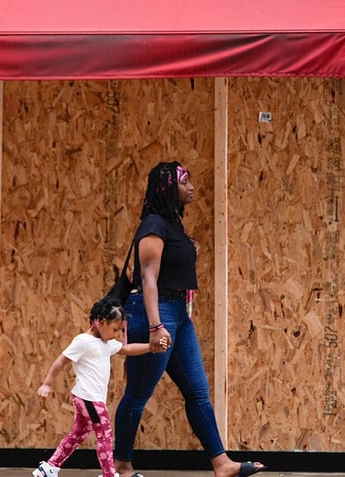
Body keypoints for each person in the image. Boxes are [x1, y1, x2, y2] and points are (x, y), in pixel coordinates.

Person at [112, 162, 266, 477]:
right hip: (152, 313)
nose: (191, 186)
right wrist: (156, 327)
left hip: (179, 314)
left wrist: (188, 248)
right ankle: (121, 465)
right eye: (184, 181)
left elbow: (170, 264)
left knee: (197, 392)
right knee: (138, 394)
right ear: (168, 188)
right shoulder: (153, 223)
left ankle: (222, 464)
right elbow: (148, 277)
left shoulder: (173, 225)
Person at [32, 296, 168, 477]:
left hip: (89, 399)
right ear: (101, 322)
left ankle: (49, 468)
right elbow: (61, 360)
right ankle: (109, 474)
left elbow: (127, 349)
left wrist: (151, 347)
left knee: (77, 435)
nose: (116, 334)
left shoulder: (107, 343)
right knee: (104, 434)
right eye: (114, 329)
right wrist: (47, 383)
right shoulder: (82, 341)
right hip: (89, 398)